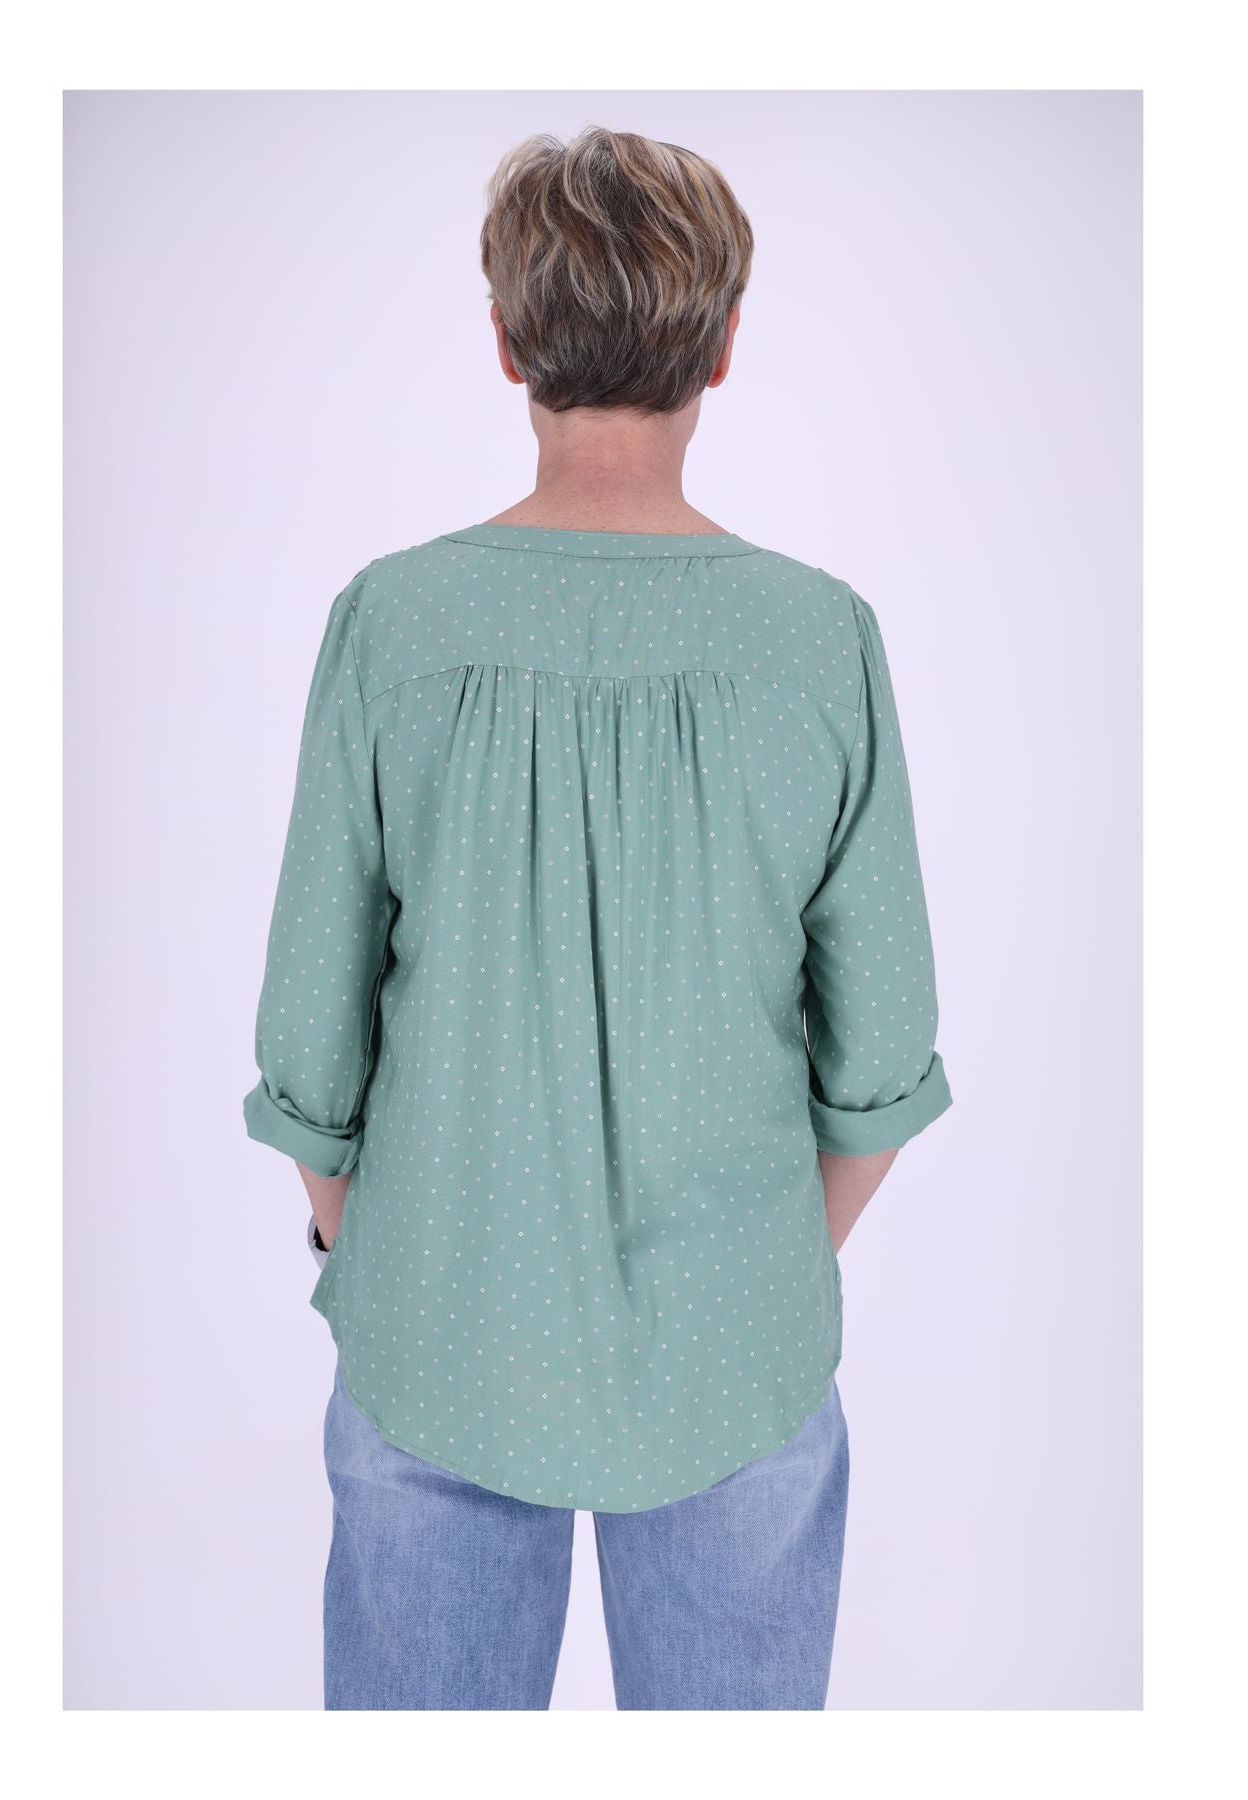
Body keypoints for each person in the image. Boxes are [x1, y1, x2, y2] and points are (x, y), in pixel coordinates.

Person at [243, 124, 952, 1711]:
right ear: (724, 346)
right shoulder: (818, 639)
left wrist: (390, 1250)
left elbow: (308, 1032)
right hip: (738, 1354)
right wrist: (752, 1267)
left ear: (505, 341)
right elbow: (884, 1050)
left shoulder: (394, 622)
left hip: (434, 1334)